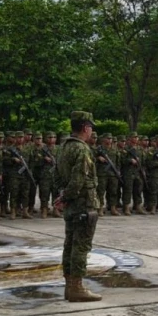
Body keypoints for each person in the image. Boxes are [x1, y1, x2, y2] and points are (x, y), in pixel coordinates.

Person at [54, 111, 101, 303]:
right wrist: (67, 196)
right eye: (90, 127)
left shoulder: (64, 147)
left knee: (70, 245)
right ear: (85, 128)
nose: (91, 131)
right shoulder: (82, 150)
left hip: (72, 205)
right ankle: (77, 287)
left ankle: (69, 286)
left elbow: (56, 174)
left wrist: (62, 196)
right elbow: (78, 180)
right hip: (83, 204)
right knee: (81, 246)